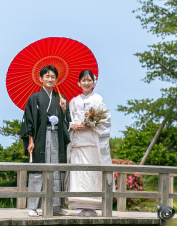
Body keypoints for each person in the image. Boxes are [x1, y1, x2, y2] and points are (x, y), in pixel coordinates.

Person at [20, 65, 72, 217]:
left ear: (57, 79)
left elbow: (67, 120)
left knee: (56, 170)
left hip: (57, 137)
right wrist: (30, 141)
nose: (50, 79)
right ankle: (33, 207)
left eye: (53, 76)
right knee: (38, 171)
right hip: (40, 138)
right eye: (47, 76)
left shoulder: (61, 99)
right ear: (40, 78)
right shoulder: (34, 97)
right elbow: (29, 121)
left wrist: (63, 109)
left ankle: (56, 206)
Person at [66, 70, 112, 216]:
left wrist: (89, 124)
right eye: (83, 80)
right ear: (78, 82)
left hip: (92, 142)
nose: (86, 83)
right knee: (79, 174)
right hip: (78, 142)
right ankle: (81, 206)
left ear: (94, 82)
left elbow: (105, 119)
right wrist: (72, 125)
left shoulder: (98, 99)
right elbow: (69, 117)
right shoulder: (74, 101)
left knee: (92, 173)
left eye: (89, 80)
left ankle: (92, 206)